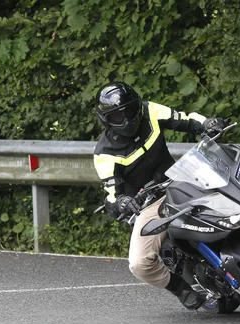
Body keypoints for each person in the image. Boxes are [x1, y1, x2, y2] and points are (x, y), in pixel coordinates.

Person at [92, 81, 227, 310]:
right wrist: (124, 201)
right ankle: (180, 288)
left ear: (138, 107)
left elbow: (184, 119)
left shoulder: (150, 111)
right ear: (105, 120)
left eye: (130, 112)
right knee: (139, 264)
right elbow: (113, 194)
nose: (125, 121)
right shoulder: (104, 153)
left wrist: (207, 123)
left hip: (182, 179)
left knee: (230, 190)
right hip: (149, 203)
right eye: (117, 117)